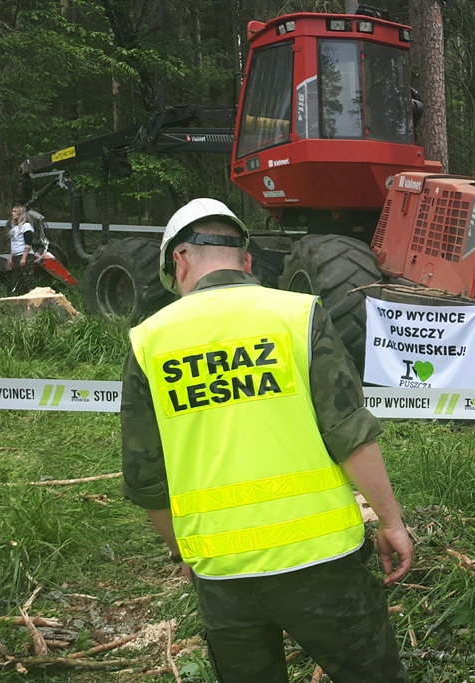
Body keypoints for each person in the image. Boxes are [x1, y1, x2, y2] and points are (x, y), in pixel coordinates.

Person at [120, 198, 412, 683]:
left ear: (180, 260)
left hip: (223, 573)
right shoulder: (297, 316)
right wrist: (391, 521)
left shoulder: (150, 340)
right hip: (324, 563)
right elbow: (350, 433)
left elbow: (146, 477)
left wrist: (185, 553)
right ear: (247, 261)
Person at [8, 205, 35, 293]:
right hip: (16, 255)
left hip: (24, 255)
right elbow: (13, 243)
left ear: (20, 214)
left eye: (15, 211)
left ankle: (33, 297)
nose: (12, 213)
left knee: (28, 279)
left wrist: (24, 258)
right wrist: (11, 257)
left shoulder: (26, 226)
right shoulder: (15, 227)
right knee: (20, 280)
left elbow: (28, 243)